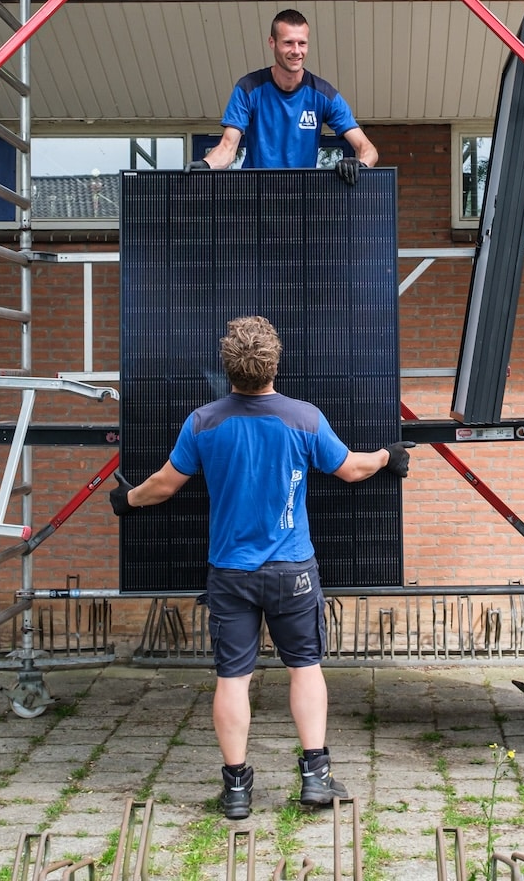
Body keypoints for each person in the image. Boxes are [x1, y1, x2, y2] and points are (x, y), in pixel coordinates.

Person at [109, 316, 410, 818]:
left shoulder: (203, 422)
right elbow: (352, 469)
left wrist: (127, 500)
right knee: (306, 668)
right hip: (293, 571)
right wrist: (387, 455)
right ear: (274, 364)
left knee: (233, 678)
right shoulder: (304, 418)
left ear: (228, 367)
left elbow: (163, 485)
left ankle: (236, 791)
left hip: (231, 574)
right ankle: (315, 779)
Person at [198, 9, 378, 181]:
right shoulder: (248, 88)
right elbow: (227, 148)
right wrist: (206, 165)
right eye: (288, 43)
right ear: (272, 42)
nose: (296, 51)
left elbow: (368, 149)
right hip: (256, 198)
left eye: (302, 43)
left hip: (301, 199)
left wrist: (360, 164)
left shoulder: (323, 94)